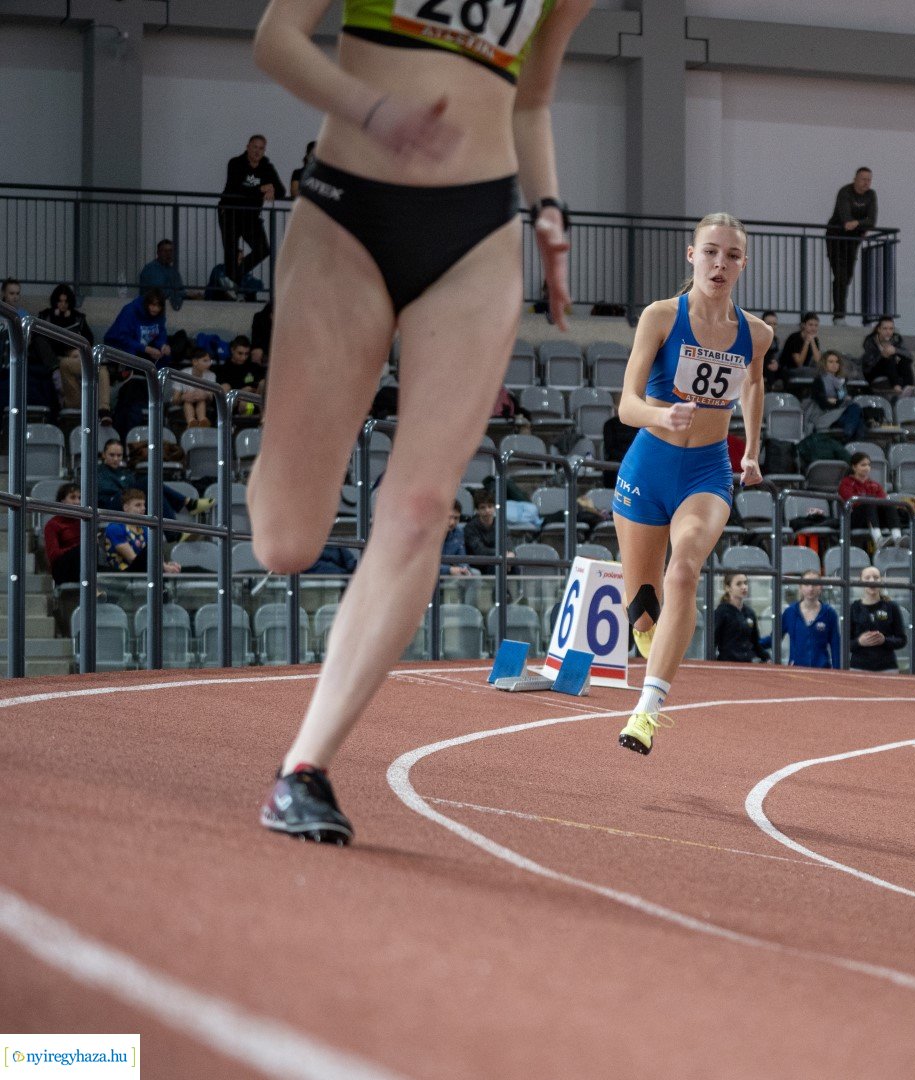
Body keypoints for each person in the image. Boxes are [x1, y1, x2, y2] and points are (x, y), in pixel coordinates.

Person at [249, 0, 591, 845]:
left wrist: (549, 208)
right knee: (286, 541)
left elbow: (533, 101)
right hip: (346, 211)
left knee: (422, 506)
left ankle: (306, 767)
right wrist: (373, 110)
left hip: (476, 234)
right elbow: (276, 39)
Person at [611, 212, 770, 753]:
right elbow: (627, 406)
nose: (719, 263)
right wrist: (661, 416)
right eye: (710, 252)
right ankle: (647, 636)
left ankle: (647, 711)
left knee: (683, 570)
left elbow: (752, 382)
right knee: (643, 611)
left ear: (743, 263)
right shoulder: (659, 317)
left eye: (730, 255)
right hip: (647, 466)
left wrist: (751, 447)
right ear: (692, 255)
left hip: (706, 471)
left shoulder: (756, 333)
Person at [216, 135, 287, 291]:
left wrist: (272, 189)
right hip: (230, 213)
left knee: (263, 249)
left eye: (261, 148)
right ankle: (229, 289)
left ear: (264, 150)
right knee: (231, 252)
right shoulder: (235, 163)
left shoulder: (267, 167)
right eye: (255, 147)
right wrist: (261, 189)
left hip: (251, 216)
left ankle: (231, 279)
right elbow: (236, 188)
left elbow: (281, 191)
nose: (257, 151)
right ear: (247, 146)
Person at [36, 284, 108, 421]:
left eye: (66, 301)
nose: (63, 305)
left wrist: (77, 351)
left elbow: (89, 339)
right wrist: (55, 318)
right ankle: (75, 406)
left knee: (101, 368)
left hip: (74, 355)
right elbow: (40, 341)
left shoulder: (77, 317)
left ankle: (103, 410)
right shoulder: (46, 315)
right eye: (60, 301)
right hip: (56, 357)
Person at [825, 167, 876, 325]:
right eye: (863, 179)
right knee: (840, 276)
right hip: (836, 238)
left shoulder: (871, 195)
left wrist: (858, 223)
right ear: (855, 179)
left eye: (869, 180)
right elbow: (846, 220)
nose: (866, 183)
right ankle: (839, 315)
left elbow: (872, 221)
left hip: (853, 241)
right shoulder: (845, 192)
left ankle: (840, 313)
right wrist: (859, 224)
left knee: (847, 277)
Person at [101, 488, 181, 575]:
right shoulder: (115, 527)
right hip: (123, 573)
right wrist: (165, 567)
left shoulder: (145, 528)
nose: (143, 508)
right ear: (126, 507)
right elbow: (132, 559)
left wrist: (168, 565)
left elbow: (153, 557)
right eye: (138, 505)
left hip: (144, 570)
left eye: (144, 505)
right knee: (148, 552)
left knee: (193, 569)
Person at [849, 565, 906, 673]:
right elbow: (846, 643)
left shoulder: (891, 607)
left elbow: (902, 640)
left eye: (876, 577)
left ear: (881, 580)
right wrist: (859, 642)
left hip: (887, 667)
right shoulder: (853, 608)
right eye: (867, 578)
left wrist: (884, 640)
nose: (872, 581)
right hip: (859, 667)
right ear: (861, 581)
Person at [839, 452, 902, 549]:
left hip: (873, 517)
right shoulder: (846, 483)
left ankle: (898, 538)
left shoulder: (874, 484)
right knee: (869, 503)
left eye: (868, 465)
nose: (867, 468)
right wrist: (870, 500)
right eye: (863, 465)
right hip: (854, 518)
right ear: (854, 467)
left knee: (889, 505)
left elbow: (883, 500)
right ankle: (878, 540)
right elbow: (851, 501)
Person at [779, 570, 839, 668]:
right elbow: (774, 638)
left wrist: (838, 672)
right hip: (796, 670)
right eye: (806, 584)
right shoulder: (790, 612)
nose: (811, 588)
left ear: (821, 587)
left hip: (822, 670)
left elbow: (835, 646)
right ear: (800, 587)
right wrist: (754, 645)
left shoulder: (829, 613)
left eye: (815, 584)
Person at [804, 350, 863, 440]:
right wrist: (840, 401)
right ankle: (850, 441)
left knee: (856, 412)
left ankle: (849, 437)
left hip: (839, 413)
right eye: (831, 362)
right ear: (824, 364)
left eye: (837, 362)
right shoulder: (819, 381)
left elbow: (840, 400)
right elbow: (824, 404)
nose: (834, 364)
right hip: (824, 414)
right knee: (857, 416)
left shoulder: (841, 381)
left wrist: (836, 401)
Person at [104, 289, 170, 368]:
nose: (155, 309)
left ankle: (158, 378)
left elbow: (160, 332)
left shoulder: (159, 315)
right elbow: (123, 338)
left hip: (142, 346)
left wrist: (162, 345)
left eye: (158, 306)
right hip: (119, 344)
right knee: (133, 356)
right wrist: (146, 349)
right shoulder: (130, 311)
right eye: (153, 305)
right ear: (147, 303)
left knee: (165, 356)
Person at [713, 570, 767, 663]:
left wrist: (766, 658)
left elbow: (755, 642)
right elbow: (713, 641)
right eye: (739, 584)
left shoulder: (750, 613)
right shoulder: (721, 612)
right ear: (728, 588)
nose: (744, 587)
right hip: (728, 663)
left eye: (745, 583)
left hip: (748, 662)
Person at [859, 316, 915, 394]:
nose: (888, 332)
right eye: (885, 328)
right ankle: (897, 387)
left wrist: (895, 350)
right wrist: (882, 355)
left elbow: (909, 356)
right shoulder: (870, 341)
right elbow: (868, 363)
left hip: (891, 369)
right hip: (874, 370)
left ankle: (910, 387)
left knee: (904, 360)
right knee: (888, 358)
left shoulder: (897, 339)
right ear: (879, 329)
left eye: (891, 329)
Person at [137, 240, 199, 311]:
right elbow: (158, 292)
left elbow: (179, 289)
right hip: (151, 309)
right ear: (158, 253)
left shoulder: (173, 271)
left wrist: (189, 294)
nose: (169, 254)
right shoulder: (151, 269)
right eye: (165, 251)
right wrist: (185, 294)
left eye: (171, 251)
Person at [43, 482, 83, 588]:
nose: (77, 502)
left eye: (79, 498)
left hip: (84, 564)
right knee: (83, 549)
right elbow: (53, 555)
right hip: (63, 568)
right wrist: (78, 547)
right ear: (62, 501)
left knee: (114, 574)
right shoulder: (53, 524)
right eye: (73, 498)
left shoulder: (84, 522)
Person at [173, 346, 217, 428]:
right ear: (195, 362)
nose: (209, 363)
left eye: (210, 361)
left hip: (203, 401)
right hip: (186, 402)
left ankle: (203, 420)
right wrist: (183, 397)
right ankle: (191, 421)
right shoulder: (182, 374)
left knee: (201, 401)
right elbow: (175, 399)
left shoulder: (211, 375)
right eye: (205, 361)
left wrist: (205, 395)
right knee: (188, 402)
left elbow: (211, 397)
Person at [778, 312, 822, 392]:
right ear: (804, 325)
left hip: (803, 370)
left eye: (816, 325)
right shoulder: (795, 338)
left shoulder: (814, 339)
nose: (813, 328)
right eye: (810, 325)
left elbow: (818, 360)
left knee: (821, 372)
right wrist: (806, 342)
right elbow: (799, 363)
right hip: (788, 369)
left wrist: (812, 341)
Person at [463, 490, 506, 558]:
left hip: (498, 559)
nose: (487, 510)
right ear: (477, 510)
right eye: (483, 507)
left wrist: (511, 553)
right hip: (479, 563)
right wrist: (503, 553)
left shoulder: (501, 524)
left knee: (514, 566)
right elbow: (480, 551)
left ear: (494, 508)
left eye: (490, 506)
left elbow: (509, 544)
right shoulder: (469, 528)